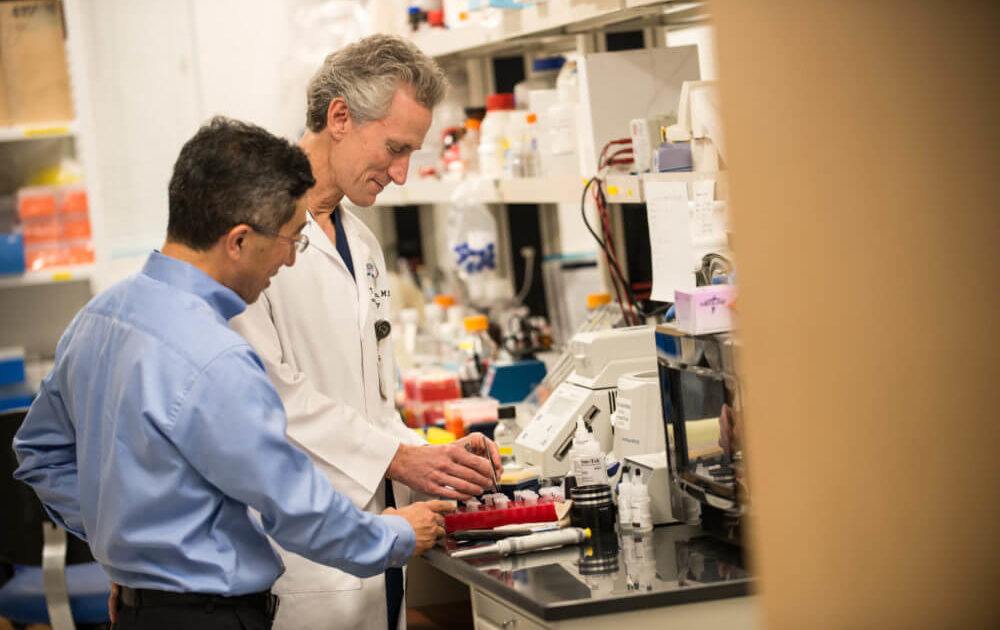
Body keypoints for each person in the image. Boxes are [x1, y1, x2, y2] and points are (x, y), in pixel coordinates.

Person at [13, 117, 453, 630]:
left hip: (141, 612)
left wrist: (132, 547)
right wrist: (396, 534)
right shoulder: (216, 357)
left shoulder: (101, 317)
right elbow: (296, 510)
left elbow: (39, 453)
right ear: (239, 241)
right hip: (213, 618)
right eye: (291, 239)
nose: (289, 260)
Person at [230, 35, 502, 630]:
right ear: (340, 117)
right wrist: (400, 458)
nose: (401, 175)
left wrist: (434, 460)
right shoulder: (251, 236)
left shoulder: (364, 242)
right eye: (394, 148)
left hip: (380, 549)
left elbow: (372, 400)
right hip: (298, 556)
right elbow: (271, 399)